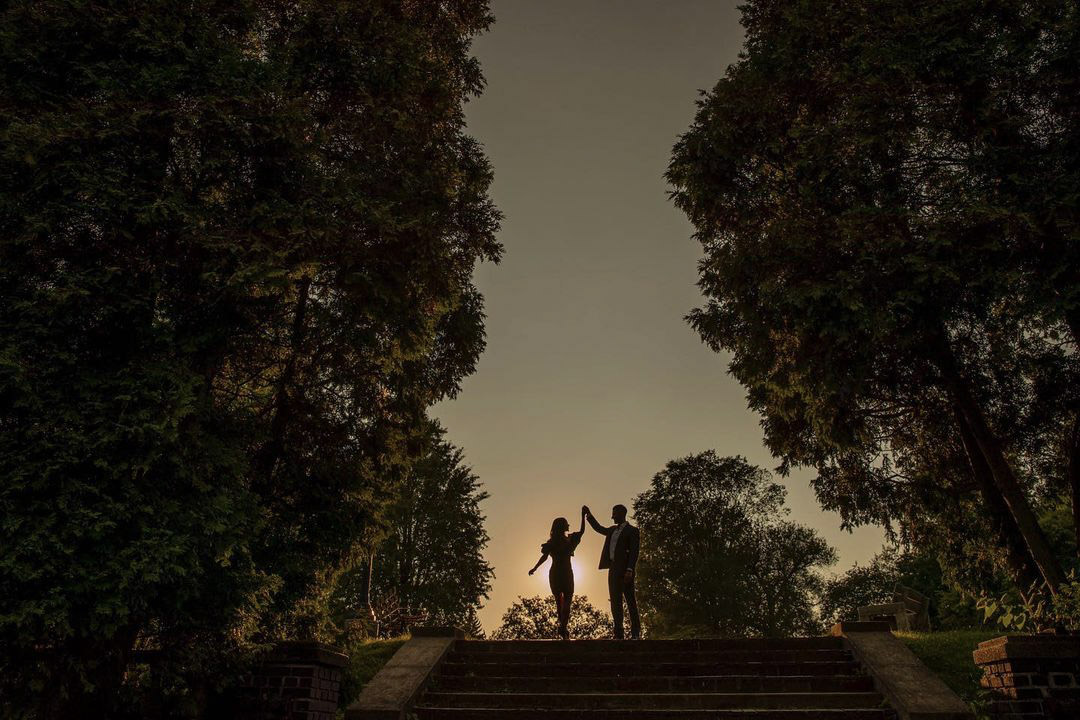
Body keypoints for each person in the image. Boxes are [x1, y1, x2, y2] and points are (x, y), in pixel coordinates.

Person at [583, 503, 640, 639]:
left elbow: (634, 552)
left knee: (630, 600)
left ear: (621, 514)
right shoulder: (612, 530)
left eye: (614, 513)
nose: (612, 516)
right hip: (613, 569)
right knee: (615, 601)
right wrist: (589, 515)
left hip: (626, 569)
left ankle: (635, 632)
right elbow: (599, 528)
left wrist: (630, 569)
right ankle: (619, 632)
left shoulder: (632, 531)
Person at [528, 507, 586, 639]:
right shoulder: (570, 540)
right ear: (563, 526)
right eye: (566, 523)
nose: (568, 525)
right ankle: (563, 627)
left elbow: (544, 557)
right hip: (566, 572)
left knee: (558, 601)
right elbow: (582, 531)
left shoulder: (551, 543)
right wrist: (583, 516)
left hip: (554, 573)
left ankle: (563, 627)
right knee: (567, 600)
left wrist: (535, 568)